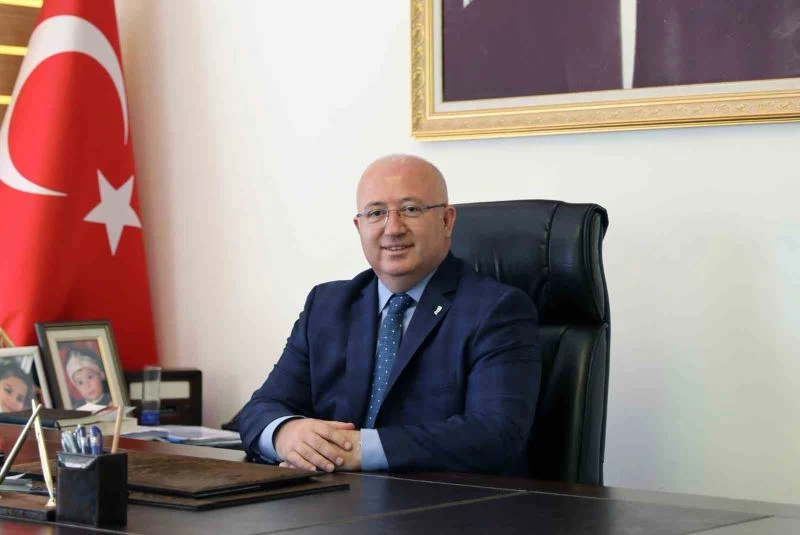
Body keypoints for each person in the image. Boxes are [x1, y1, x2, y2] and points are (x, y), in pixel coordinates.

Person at [238, 154, 541, 474]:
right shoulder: (327, 306)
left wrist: (361, 449)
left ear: (447, 220)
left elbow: (495, 434)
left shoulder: (497, 310)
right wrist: (287, 434)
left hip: (438, 500)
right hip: (330, 496)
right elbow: (260, 409)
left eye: (411, 209)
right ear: (359, 227)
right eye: (376, 213)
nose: (393, 229)